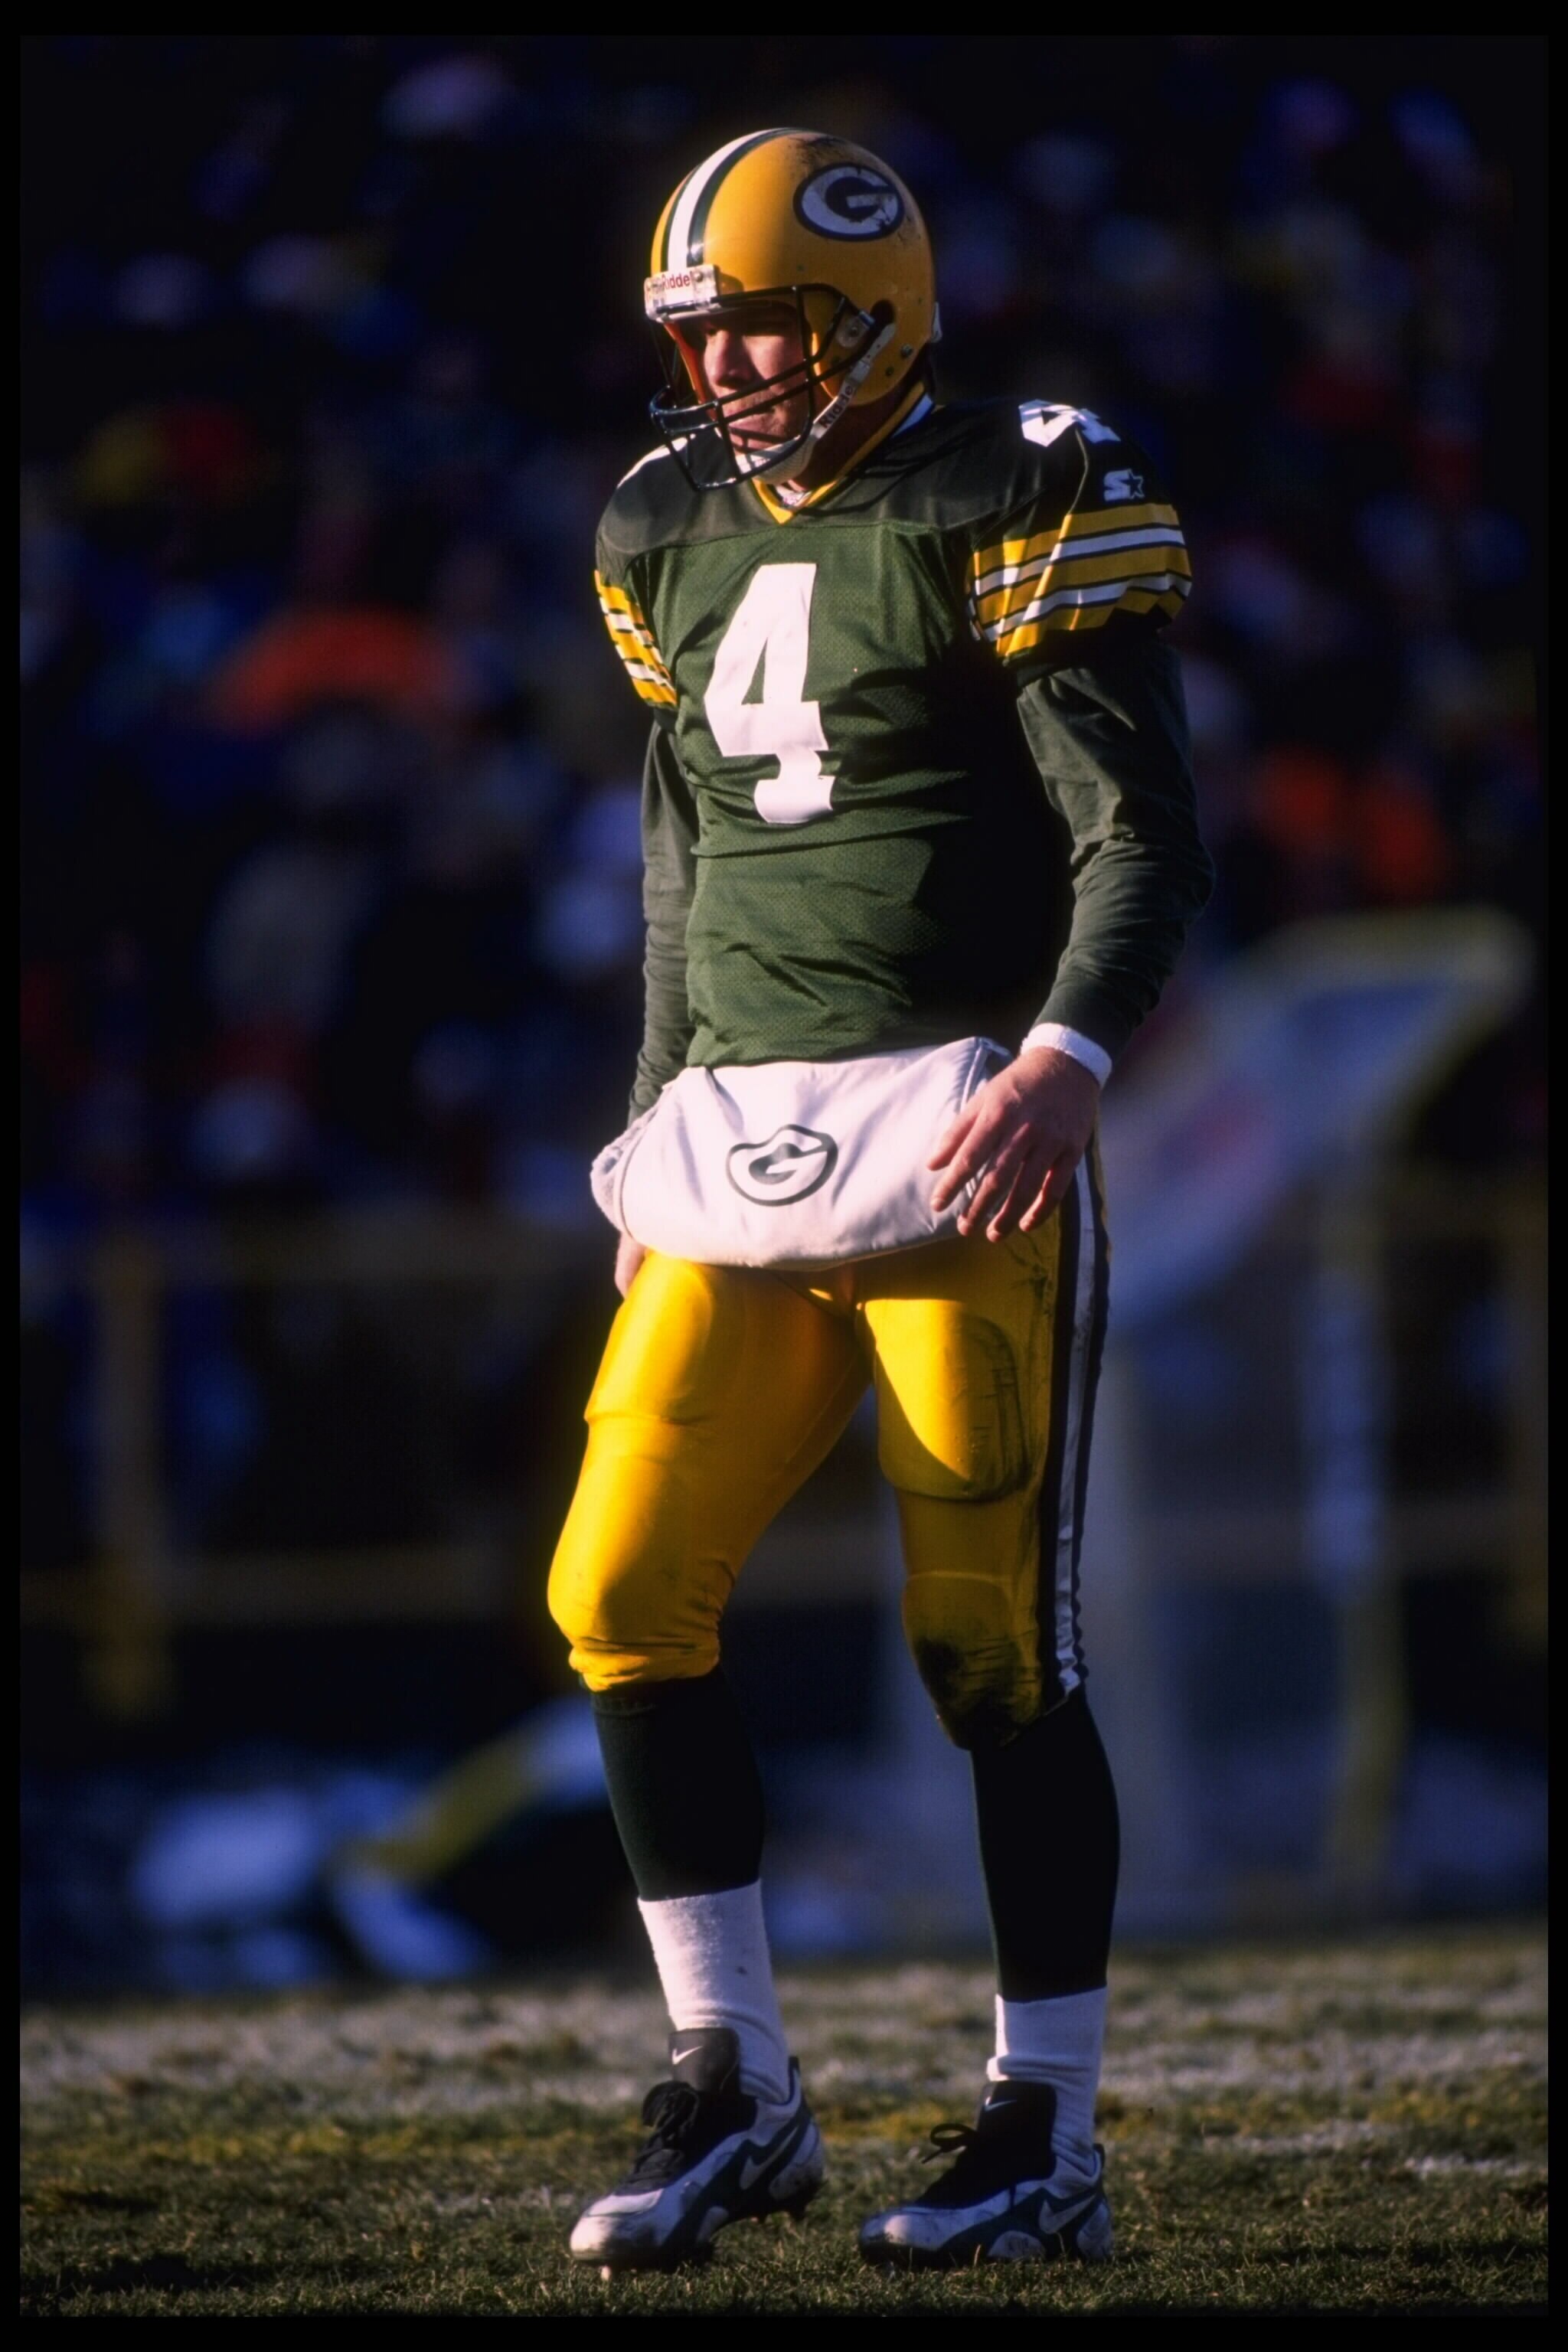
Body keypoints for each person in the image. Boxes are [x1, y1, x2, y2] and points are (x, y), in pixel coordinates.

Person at [549, 126, 1212, 2271]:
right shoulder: (660, 522)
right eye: (704, 326)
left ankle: (1050, 2126)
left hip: (955, 1129)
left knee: (987, 1651)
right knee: (616, 1586)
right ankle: (736, 2082)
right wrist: (653, 1126)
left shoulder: (1020, 479)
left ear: (874, 305)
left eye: (765, 318)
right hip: (738, 1139)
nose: (733, 361)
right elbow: (685, 852)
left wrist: (1068, 1059)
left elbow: (1142, 834)